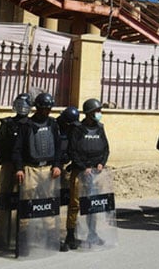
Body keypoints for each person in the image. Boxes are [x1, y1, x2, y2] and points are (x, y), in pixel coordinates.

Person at [12, 92, 62, 256]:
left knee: (48, 203)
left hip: (48, 170)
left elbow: (58, 146)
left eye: (49, 108)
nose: (46, 111)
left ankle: (51, 238)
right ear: (37, 108)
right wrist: (19, 168)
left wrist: (57, 165)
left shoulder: (53, 124)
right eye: (43, 108)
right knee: (27, 204)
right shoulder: (26, 125)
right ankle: (24, 240)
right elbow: (17, 149)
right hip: (30, 169)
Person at [64, 98, 109, 249]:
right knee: (75, 204)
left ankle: (92, 233)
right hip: (80, 172)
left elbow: (106, 149)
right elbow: (73, 151)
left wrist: (102, 163)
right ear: (89, 113)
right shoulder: (78, 129)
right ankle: (70, 235)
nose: (99, 114)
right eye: (97, 111)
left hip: (96, 173)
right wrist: (83, 167)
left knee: (93, 204)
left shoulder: (100, 128)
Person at [0, 93, 32, 250]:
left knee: (25, 201)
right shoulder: (7, 124)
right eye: (20, 103)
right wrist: (6, 163)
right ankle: (2, 238)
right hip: (9, 167)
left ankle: (22, 237)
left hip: (26, 167)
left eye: (26, 103)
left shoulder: (31, 124)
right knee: (5, 202)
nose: (22, 107)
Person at [56, 106, 79, 251]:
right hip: (53, 169)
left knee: (66, 201)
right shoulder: (55, 127)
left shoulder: (73, 129)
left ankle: (66, 235)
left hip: (65, 168)